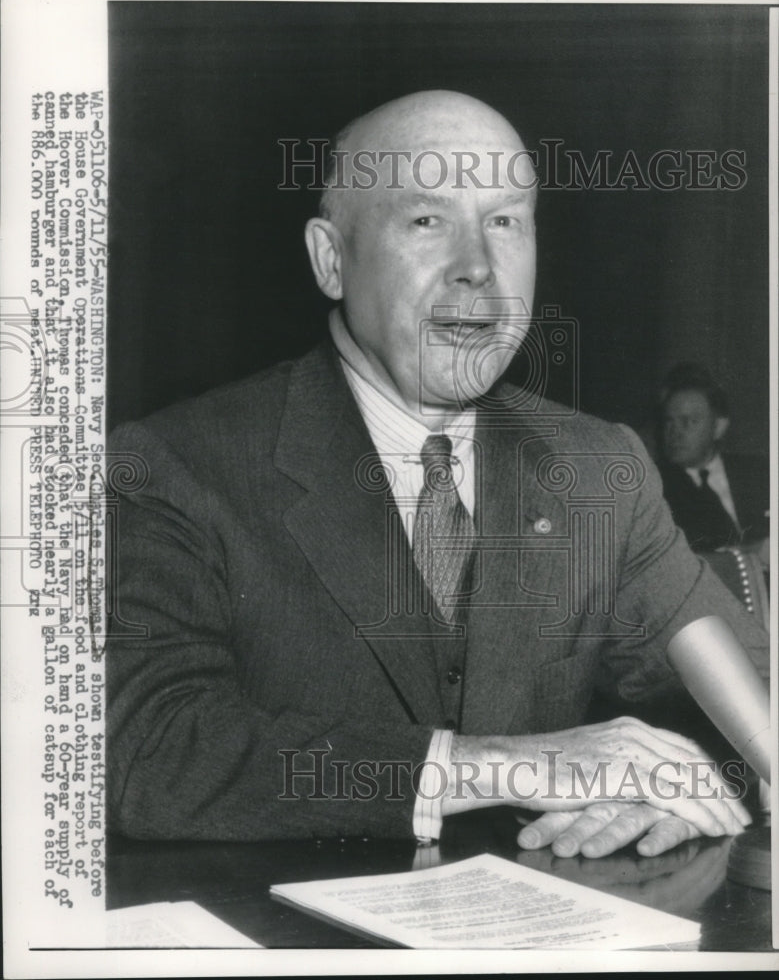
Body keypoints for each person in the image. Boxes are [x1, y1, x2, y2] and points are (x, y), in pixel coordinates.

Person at [107, 91, 767, 861]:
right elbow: (146, 751)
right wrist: (499, 766)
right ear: (331, 259)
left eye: (504, 221)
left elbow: (743, 696)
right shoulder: (173, 464)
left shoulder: (600, 467)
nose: (477, 267)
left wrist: (684, 788)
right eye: (427, 220)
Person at [657, 363, 769, 555]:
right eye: (669, 421)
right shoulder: (657, 489)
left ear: (718, 427)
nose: (675, 433)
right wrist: (753, 552)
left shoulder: (760, 471)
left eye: (689, 421)